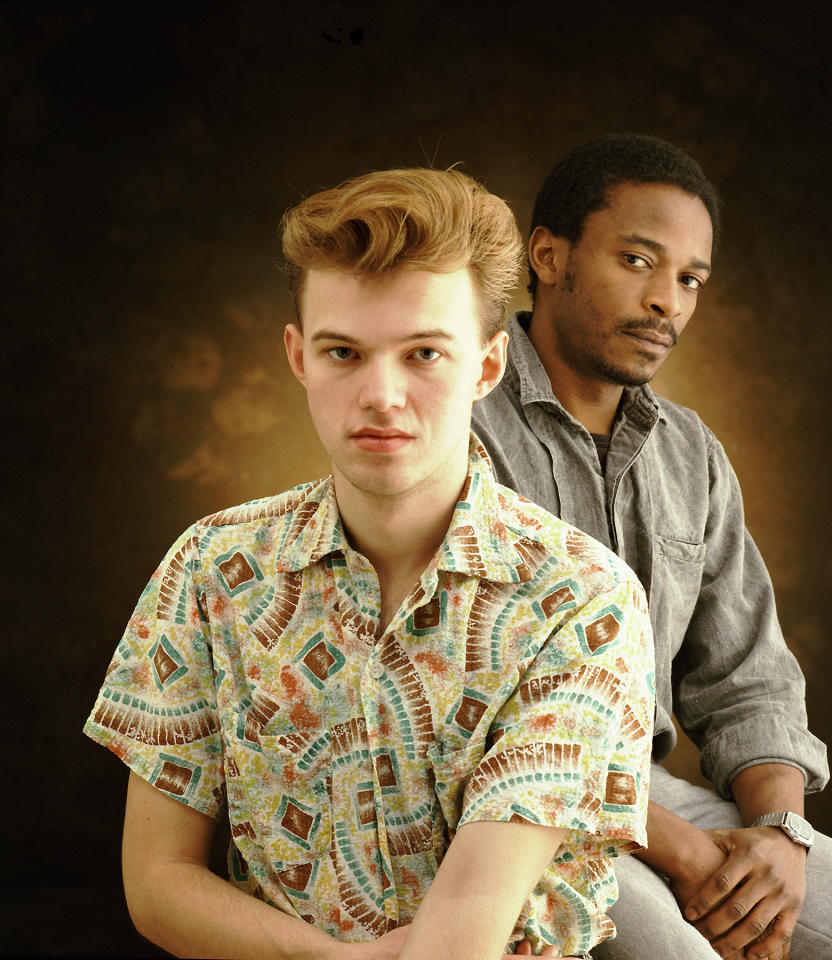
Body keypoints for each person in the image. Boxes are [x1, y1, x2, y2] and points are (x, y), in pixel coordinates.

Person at [83, 166, 657, 960]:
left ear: (487, 367)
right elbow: (155, 884)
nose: (381, 394)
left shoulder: (580, 599)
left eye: (424, 353)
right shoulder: (210, 570)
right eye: (345, 352)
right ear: (298, 357)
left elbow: (460, 945)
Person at [471, 134, 832, 960]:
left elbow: (747, 678)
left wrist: (777, 836)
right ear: (547, 255)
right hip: (516, 803)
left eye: (691, 278)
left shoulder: (690, 454)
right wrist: (688, 856)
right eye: (638, 260)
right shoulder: (460, 422)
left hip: (662, 796)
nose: (669, 301)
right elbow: (474, 710)